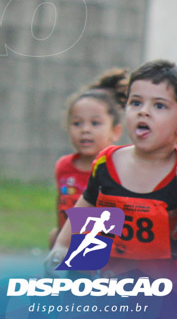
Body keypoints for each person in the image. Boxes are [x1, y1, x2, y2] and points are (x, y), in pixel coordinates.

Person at [47, 60, 177, 278]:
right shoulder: (106, 161)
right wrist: (62, 246)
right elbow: (87, 206)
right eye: (136, 102)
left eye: (159, 105)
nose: (143, 112)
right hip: (114, 283)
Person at [48, 69, 125, 247]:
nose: (85, 130)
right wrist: (58, 238)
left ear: (115, 131)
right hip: (68, 247)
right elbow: (61, 207)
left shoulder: (119, 168)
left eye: (95, 123)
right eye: (77, 123)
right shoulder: (64, 166)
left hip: (102, 251)